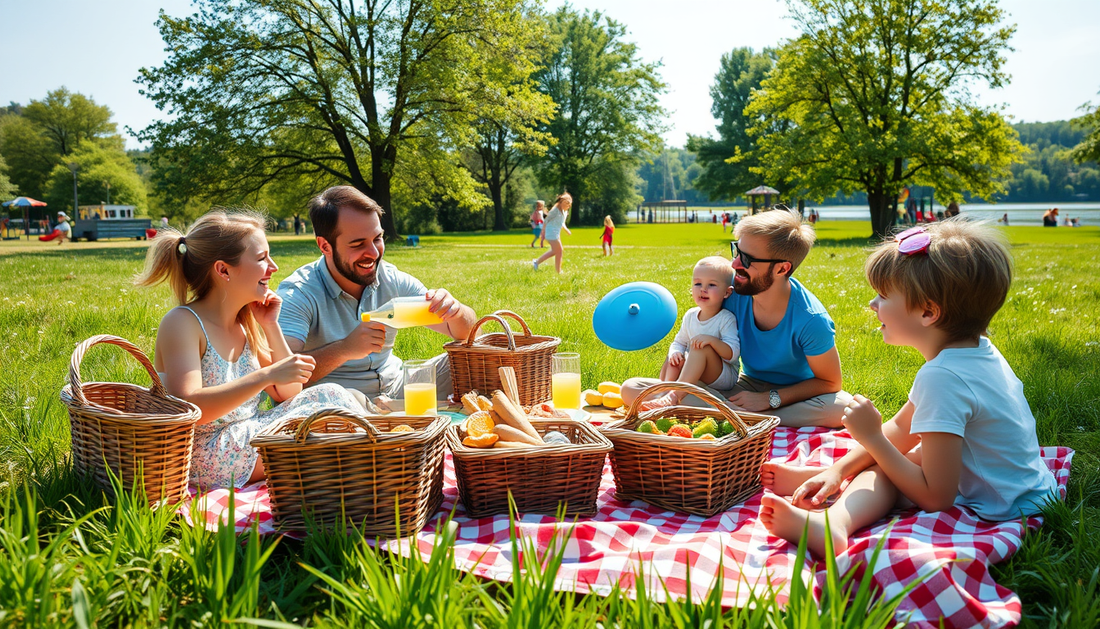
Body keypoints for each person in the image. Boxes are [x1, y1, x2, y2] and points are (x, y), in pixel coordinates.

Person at [759, 220, 1059, 558]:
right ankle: (826, 477)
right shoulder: (974, 352)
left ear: (928, 312)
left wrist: (871, 437)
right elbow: (902, 429)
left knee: (890, 468)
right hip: (1022, 486)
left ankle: (833, 526)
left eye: (884, 296)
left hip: (1005, 503)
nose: (873, 304)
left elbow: (935, 497)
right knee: (899, 455)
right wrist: (838, 468)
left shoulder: (944, 377)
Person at [136, 210, 363, 489]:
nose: (273, 266)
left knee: (332, 394)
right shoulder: (183, 323)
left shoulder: (245, 322)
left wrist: (270, 325)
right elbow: (191, 406)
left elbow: (288, 392)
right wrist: (266, 375)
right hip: (208, 451)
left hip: (246, 435)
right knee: (326, 430)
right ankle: (368, 463)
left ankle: (371, 455)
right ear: (223, 270)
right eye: (261, 258)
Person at [622, 209, 852, 427]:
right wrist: (678, 359)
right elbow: (698, 334)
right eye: (737, 251)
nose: (735, 264)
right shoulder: (732, 290)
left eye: (747, 259)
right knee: (632, 388)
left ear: (782, 269)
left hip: (795, 394)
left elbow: (830, 383)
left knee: (841, 408)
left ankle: (740, 416)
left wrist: (770, 399)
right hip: (743, 386)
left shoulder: (811, 320)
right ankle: (742, 415)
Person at [276, 186, 477, 406]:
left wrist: (455, 311)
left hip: (398, 388)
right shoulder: (299, 293)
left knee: (480, 356)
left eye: (377, 238)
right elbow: (281, 378)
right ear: (325, 246)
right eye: (358, 244)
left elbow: (466, 334)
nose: (373, 253)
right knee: (343, 399)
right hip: (341, 401)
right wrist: (344, 349)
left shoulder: (392, 279)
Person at [641, 256, 740, 410]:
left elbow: (732, 354)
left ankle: (673, 397)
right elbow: (678, 342)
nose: (703, 289)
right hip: (695, 373)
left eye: (711, 285)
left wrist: (712, 341)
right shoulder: (690, 315)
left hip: (722, 376)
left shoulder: (725, 318)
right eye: (698, 283)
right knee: (674, 356)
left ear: (727, 293)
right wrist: (675, 353)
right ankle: (665, 393)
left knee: (699, 348)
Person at [533, 192, 573, 273]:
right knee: (559, 250)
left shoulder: (564, 212)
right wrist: (543, 233)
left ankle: (536, 262)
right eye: (566, 204)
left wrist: (566, 230)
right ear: (561, 202)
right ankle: (558, 271)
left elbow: (562, 223)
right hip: (551, 232)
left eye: (569, 204)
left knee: (555, 251)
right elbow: (546, 221)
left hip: (555, 233)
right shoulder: (555, 210)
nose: (568, 206)